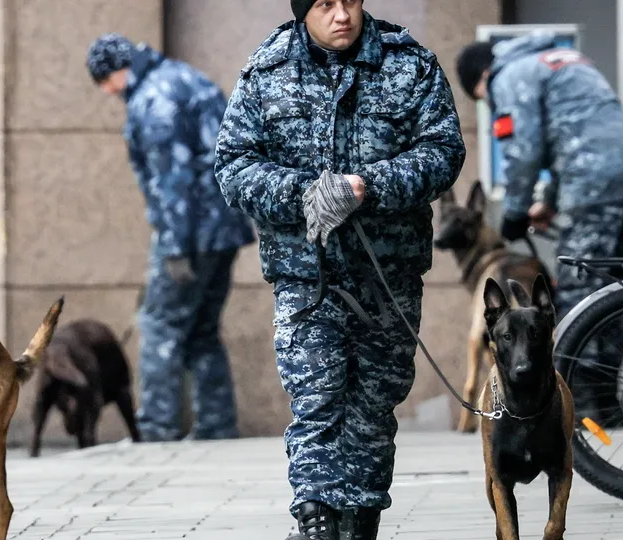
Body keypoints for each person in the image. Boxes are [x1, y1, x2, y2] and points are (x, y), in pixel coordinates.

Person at [215, 1, 465, 538]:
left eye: (350, 0)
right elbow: (233, 166)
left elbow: (444, 152)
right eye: (325, 4)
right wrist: (304, 193)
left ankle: (360, 520)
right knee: (318, 399)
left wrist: (366, 185)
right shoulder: (268, 68)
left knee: (374, 403)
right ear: (304, 10)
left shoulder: (409, 63)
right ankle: (317, 520)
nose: (342, 14)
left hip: (388, 275)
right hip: (308, 277)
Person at [84, 33, 256, 443]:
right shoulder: (184, 78)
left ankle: (157, 427)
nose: (109, 93)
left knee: (160, 325)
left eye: (104, 84)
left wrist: (175, 248)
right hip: (224, 229)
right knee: (202, 330)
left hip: (190, 234)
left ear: (115, 72)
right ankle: (217, 426)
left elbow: (172, 180)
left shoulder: (154, 98)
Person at [456, 31, 623, 428]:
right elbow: (580, 135)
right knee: (611, 295)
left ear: (481, 79)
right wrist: (548, 201)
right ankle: (610, 408)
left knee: (579, 300)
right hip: (611, 181)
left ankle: (581, 415)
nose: (490, 103)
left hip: (592, 186)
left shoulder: (509, 75)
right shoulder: (559, 60)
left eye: (482, 99)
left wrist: (514, 213)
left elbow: (523, 150)